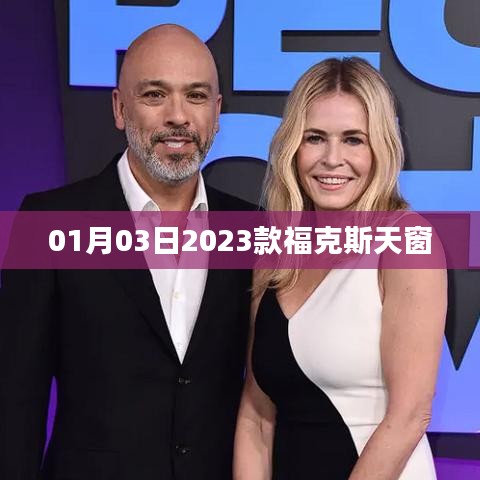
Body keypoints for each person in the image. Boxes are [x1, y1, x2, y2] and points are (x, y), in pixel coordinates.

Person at [0, 24, 253, 480]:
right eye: (155, 95)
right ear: (120, 108)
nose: (178, 116)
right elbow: (17, 397)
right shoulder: (50, 220)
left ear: (217, 112)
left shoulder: (253, 228)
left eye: (196, 96)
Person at [233, 57, 447, 479]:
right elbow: (256, 415)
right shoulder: (276, 250)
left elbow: (409, 417)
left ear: (380, 148)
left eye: (353, 140)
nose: (332, 159)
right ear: (293, 146)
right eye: (315, 138)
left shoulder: (405, 240)